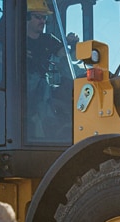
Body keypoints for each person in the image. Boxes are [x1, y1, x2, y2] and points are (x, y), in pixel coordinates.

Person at [24, 3, 70, 142]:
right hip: (22, 86)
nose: (42, 21)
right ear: (26, 17)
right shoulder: (16, 40)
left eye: (44, 18)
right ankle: (50, 124)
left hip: (41, 86)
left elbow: (63, 54)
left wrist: (70, 43)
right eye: (38, 17)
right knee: (40, 83)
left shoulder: (48, 39)